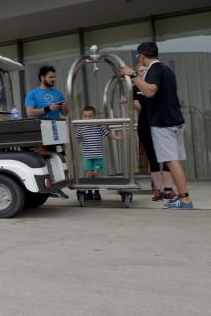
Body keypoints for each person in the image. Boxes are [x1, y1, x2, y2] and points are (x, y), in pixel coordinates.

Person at [120, 41, 193, 209]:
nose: (138, 59)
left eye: (138, 56)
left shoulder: (154, 70)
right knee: (175, 162)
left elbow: (150, 91)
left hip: (163, 122)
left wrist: (132, 75)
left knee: (171, 161)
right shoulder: (167, 69)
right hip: (175, 120)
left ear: (142, 56)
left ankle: (185, 200)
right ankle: (183, 196)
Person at [133, 63, 176, 202]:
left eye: (145, 70)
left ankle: (169, 190)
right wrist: (131, 101)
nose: (143, 72)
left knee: (166, 157)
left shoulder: (157, 85)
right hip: (145, 125)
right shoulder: (135, 88)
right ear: (137, 73)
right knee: (153, 158)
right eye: (141, 71)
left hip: (161, 123)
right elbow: (138, 107)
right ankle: (158, 190)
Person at [75, 105, 124, 201]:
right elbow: (78, 139)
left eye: (90, 116)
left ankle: (96, 192)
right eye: (85, 116)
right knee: (89, 174)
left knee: (96, 174)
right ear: (82, 117)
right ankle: (89, 191)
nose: (88, 119)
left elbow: (109, 134)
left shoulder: (99, 126)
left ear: (95, 117)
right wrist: (72, 139)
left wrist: (119, 137)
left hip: (98, 156)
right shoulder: (81, 127)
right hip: (87, 156)